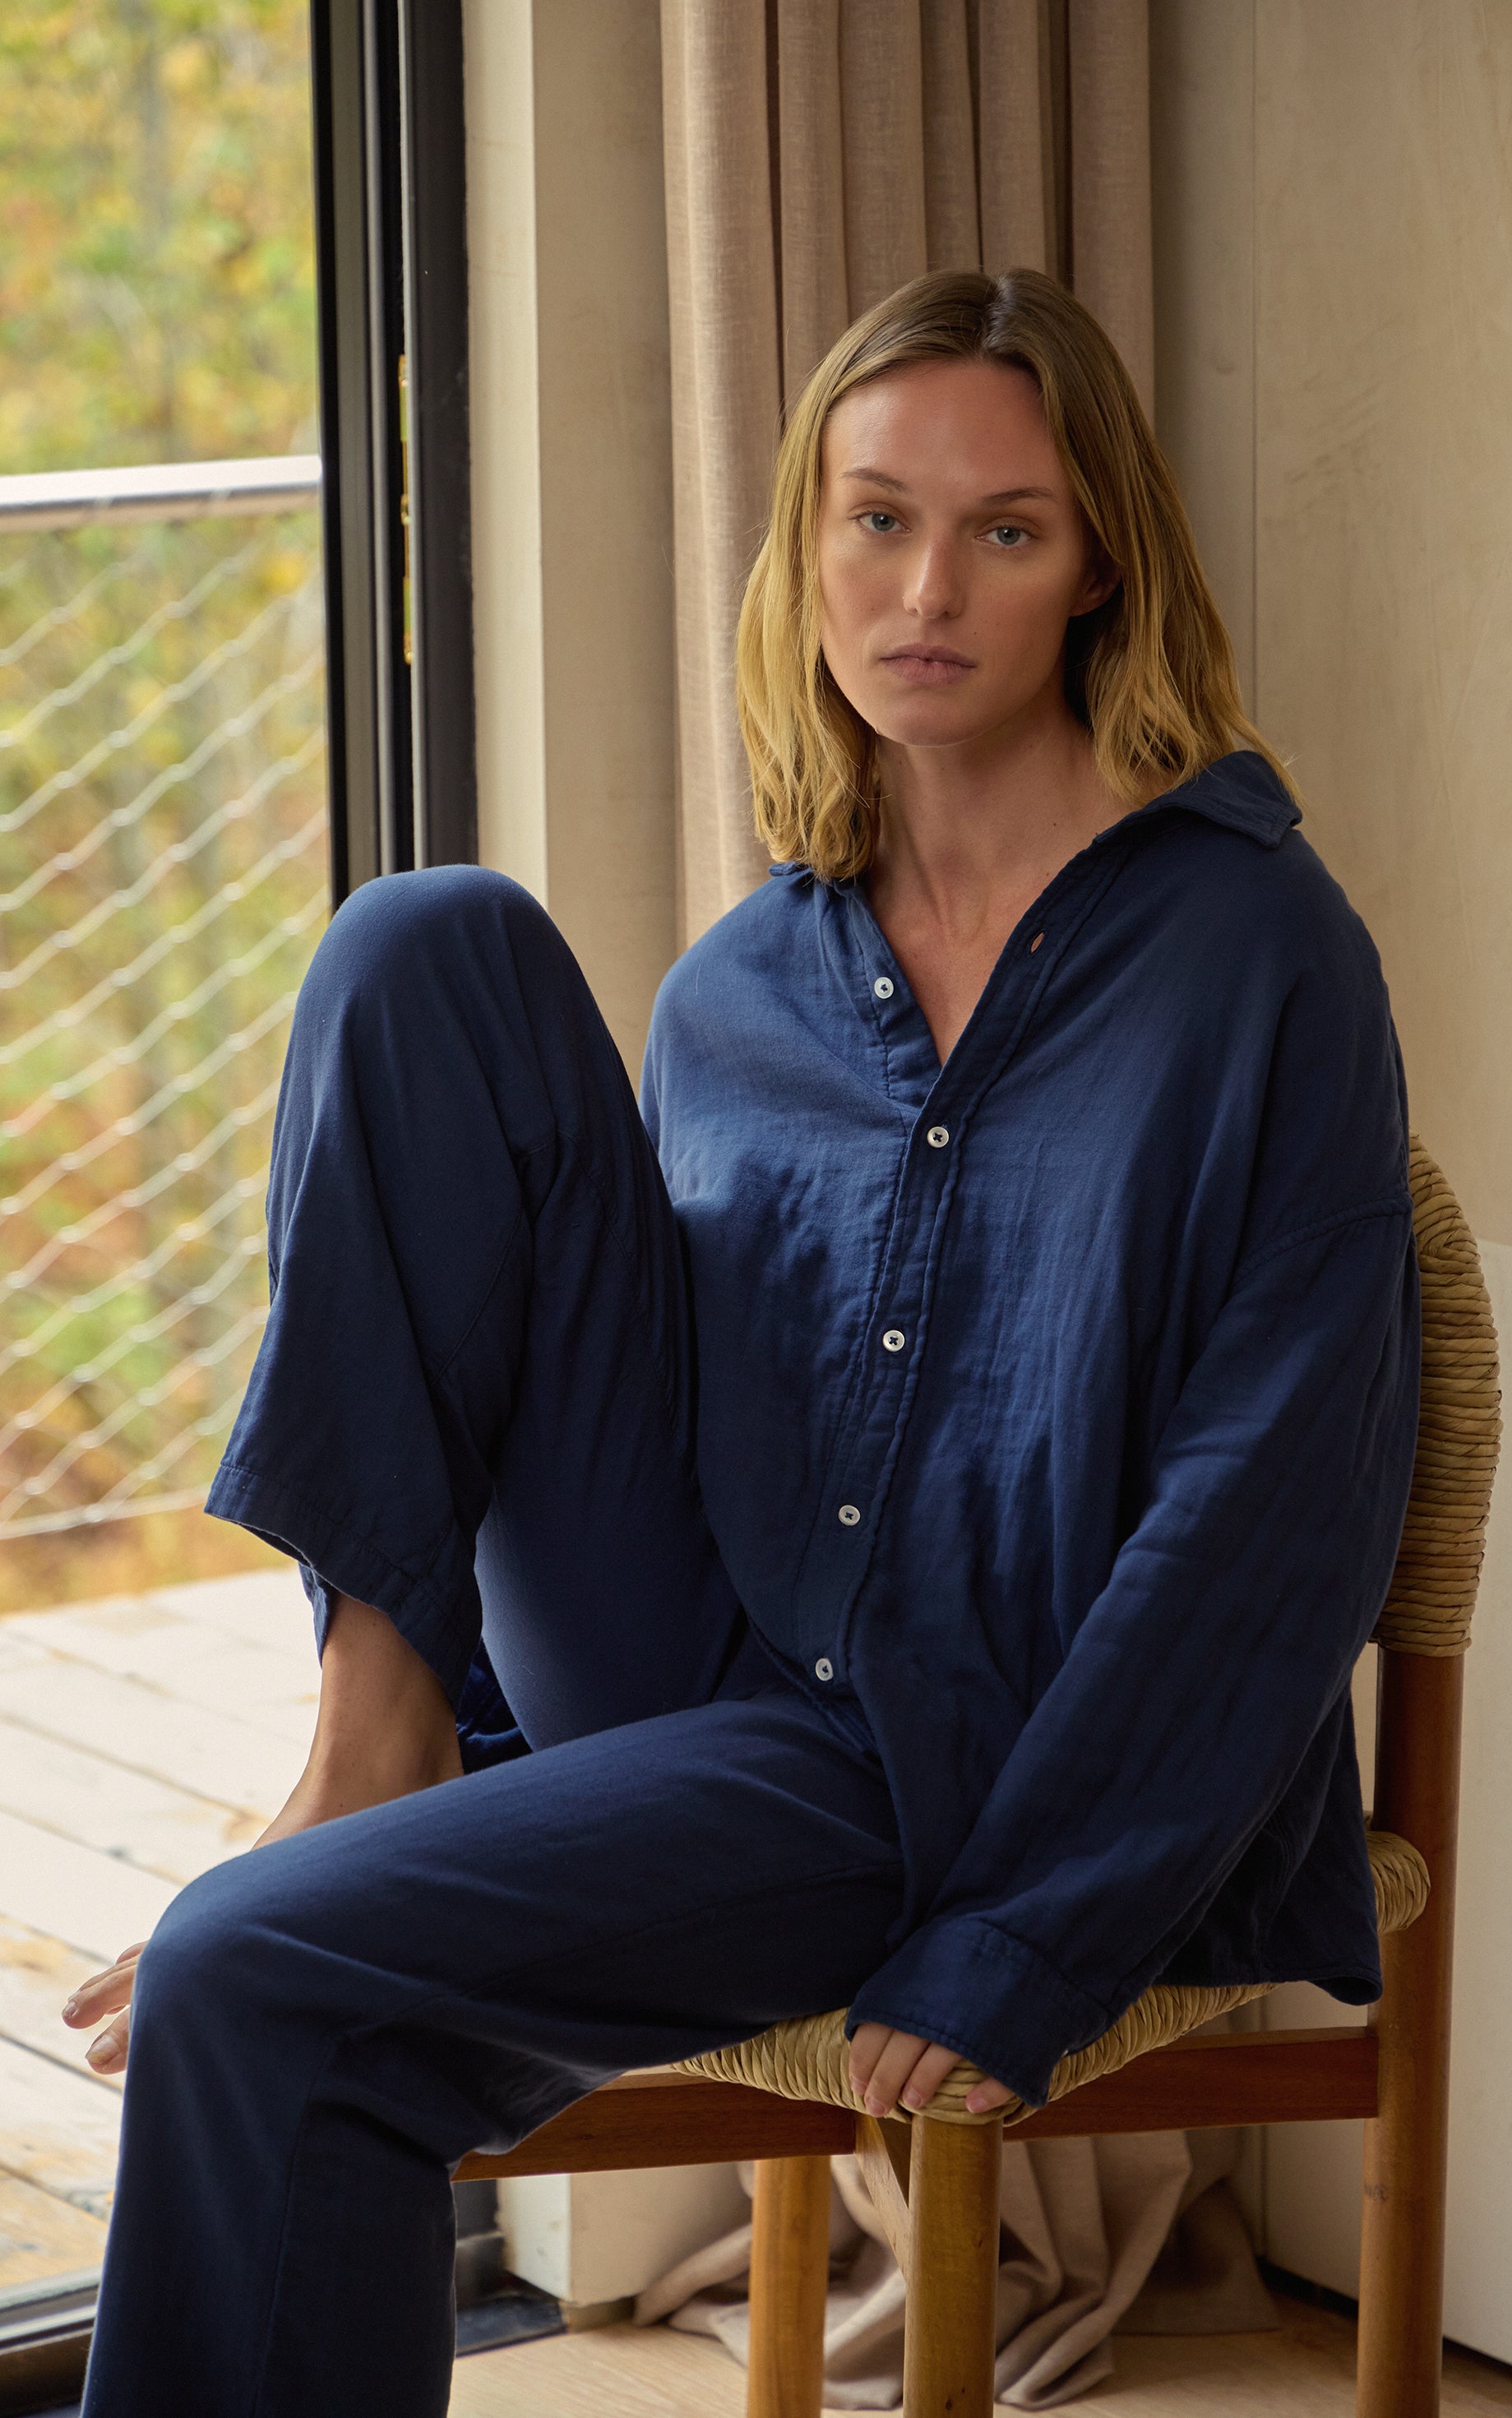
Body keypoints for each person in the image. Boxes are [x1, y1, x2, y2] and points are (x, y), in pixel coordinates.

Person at [65, 269, 1419, 2418]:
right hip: (702, 1667)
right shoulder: (747, 984)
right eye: (875, 521)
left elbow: (1277, 1512)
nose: (925, 592)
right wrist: (482, 1759)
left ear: (1097, 569)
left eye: (1002, 529)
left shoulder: (1258, 961)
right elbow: (638, 1408)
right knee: (427, 942)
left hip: (948, 1763)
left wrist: (1028, 1934)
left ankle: (372, 1851)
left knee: (261, 1979)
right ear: (805, 547)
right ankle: (378, 1735)